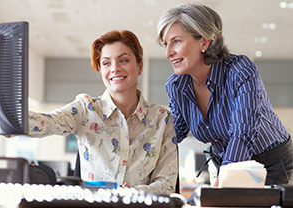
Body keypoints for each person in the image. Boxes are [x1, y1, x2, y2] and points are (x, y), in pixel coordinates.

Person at [156, 3, 293, 186]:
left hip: (268, 161)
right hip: (224, 161)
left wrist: (221, 188)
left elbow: (242, 134)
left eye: (176, 41)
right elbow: (173, 133)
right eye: (166, 44)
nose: (168, 53)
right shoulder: (176, 86)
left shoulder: (241, 71)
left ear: (204, 42)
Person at [29, 30, 178, 195]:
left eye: (123, 60)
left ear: (140, 66)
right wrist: (2, 115)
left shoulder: (162, 119)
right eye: (106, 63)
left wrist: (133, 193)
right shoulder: (85, 110)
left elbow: (166, 185)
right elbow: (44, 123)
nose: (115, 68)